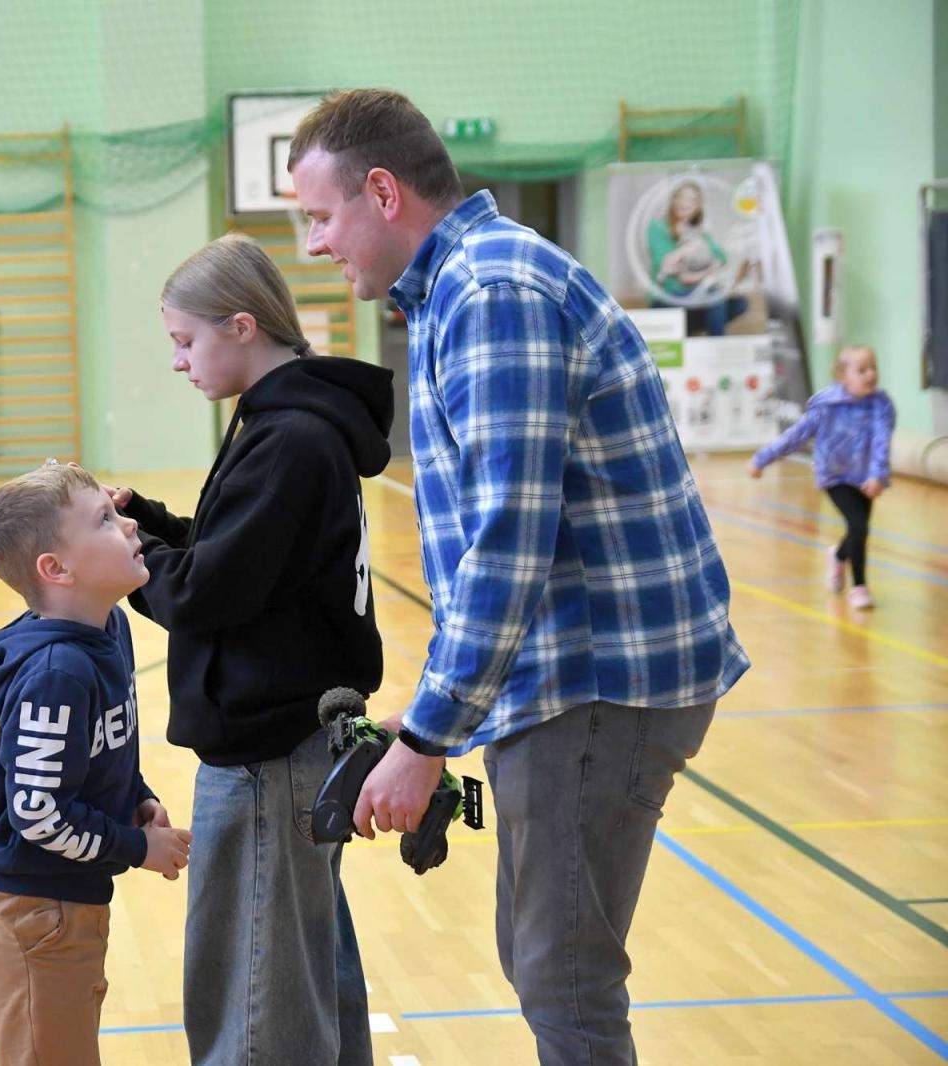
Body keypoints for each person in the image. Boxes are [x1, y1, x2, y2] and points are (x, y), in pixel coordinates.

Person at [288, 89, 750, 1066]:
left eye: (319, 217)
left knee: (563, 973)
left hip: (595, 684)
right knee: (548, 961)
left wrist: (424, 736)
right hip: (567, 678)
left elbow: (510, 538)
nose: (315, 245)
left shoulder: (491, 293)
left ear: (380, 192)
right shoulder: (461, 288)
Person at [107, 233, 392, 1066]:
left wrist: (125, 560)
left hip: (272, 755)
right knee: (301, 976)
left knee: (258, 996)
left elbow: (207, 593)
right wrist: (152, 522)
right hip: (293, 741)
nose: (177, 362)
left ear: (240, 327)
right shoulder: (281, 422)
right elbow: (243, 557)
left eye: (184, 341)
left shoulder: (291, 440)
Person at [0, 462, 192, 1066]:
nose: (131, 522)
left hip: (66, 906)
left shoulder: (111, 626)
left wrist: (134, 794)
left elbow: (97, 750)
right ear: (56, 570)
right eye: (106, 521)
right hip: (31, 914)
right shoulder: (56, 673)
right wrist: (138, 849)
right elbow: (38, 814)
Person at [748, 344, 895, 609]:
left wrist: (876, 475)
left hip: (865, 478)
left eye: (873, 368)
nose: (870, 374)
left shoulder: (880, 406)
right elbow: (795, 436)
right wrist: (762, 459)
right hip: (835, 476)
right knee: (859, 525)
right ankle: (859, 587)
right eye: (861, 370)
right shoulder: (827, 406)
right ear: (842, 376)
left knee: (856, 529)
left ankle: (838, 556)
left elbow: (881, 443)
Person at [646, 180, 748, 336]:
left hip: (696, 296)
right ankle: (714, 343)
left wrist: (708, 264)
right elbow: (667, 264)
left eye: (692, 199)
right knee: (714, 294)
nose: (684, 202)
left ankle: (689, 327)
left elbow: (721, 257)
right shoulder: (657, 227)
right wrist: (693, 254)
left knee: (740, 303)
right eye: (680, 197)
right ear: (673, 200)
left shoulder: (698, 233)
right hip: (668, 298)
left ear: (698, 206)